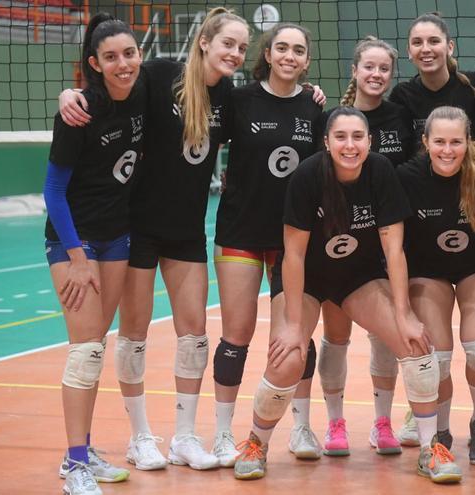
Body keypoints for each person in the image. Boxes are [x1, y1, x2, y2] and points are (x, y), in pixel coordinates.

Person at [58, 8, 250, 470]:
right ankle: (140, 437)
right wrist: (72, 93)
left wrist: (309, 92)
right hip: (137, 229)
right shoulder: (159, 75)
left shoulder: (231, 97)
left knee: (194, 337)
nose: (235, 54)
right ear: (204, 41)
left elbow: (271, 106)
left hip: (186, 230)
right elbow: (111, 92)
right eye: (227, 43)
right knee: (134, 336)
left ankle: (185, 437)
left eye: (243, 48)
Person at [232, 107, 462, 484]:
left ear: (370, 141)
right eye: (341, 137)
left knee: (417, 344)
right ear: (326, 142)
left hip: (358, 276)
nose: (350, 145)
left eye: (358, 137)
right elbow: (293, 255)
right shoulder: (308, 175)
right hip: (306, 279)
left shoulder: (381, 172)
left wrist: (404, 314)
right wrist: (293, 326)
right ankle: (257, 443)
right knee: (289, 356)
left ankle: (429, 449)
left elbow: (394, 250)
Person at [212, 21, 326, 461]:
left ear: (307, 60)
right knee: (235, 336)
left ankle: (301, 427)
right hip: (240, 233)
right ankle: (223, 433)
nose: (290, 56)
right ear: (269, 53)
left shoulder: (314, 108)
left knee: (295, 335)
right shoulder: (239, 100)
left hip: (292, 240)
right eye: (282, 48)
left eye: (299, 50)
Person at [298, 36, 416, 458]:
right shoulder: (327, 118)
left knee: (388, 335)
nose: (376, 75)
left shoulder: (402, 115)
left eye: (384, 68)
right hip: (337, 244)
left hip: (387, 236)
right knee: (336, 334)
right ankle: (335, 424)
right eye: (369, 67)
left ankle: (382, 422)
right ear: (355, 70)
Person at [45, 13, 144, 494]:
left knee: (96, 349)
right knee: (84, 353)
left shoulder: (143, 94)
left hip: (118, 240)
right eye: (111, 57)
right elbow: (53, 190)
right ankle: (74, 464)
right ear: (94, 63)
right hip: (75, 243)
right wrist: (77, 255)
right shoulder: (80, 110)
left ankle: (83, 450)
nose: (122, 64)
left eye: (129, 53)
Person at [396, 106, 475, 464]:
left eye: (456, 141)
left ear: (468, 141)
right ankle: (440, 432)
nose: (447, 149)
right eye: (439, 141)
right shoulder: (407, 176)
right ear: (425, 142)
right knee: (437, 360)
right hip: (428, 270)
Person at [389, 12, 475, 143]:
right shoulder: (402, 95)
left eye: (434, 41)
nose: (425, 49)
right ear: (409, 51)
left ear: (450, 47)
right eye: (417, 42)